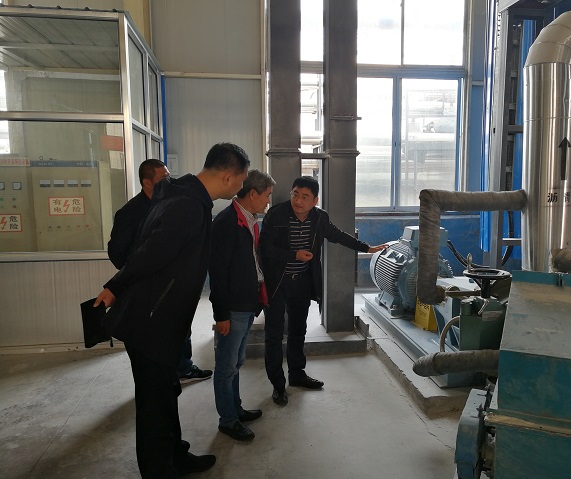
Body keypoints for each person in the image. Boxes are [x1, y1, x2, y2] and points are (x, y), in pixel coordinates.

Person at [94, 143, 250, 478]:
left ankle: (175, 456)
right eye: (241, 181)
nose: (240, 188)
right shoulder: (187, 206)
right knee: (153, 404)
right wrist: (115, 286)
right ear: (227, 177)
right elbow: (150, 254)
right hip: (150, 321)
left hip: (163, 319)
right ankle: (158, 470)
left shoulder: (184, 197)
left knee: (167, 393)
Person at [259, 176, 388, 406]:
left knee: (298, 331)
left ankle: (297, 375)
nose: (298, 201)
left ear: (315, 200)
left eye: (304, 197)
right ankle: (278, 385)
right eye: (295, 194)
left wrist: (366, 248)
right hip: (277, 283)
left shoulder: (319, 218)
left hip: (302, 283)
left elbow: (338, 235)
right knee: (275, 335)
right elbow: (265, 249)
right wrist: (294, 255)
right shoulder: (276, 215)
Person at [107, 159, 213, 385]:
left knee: (181, 330)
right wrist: (135, 271)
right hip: (147, 291)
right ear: (147, 182)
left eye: (169, 175)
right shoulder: (130, 212)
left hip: (171, 289)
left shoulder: (169, 203)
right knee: (153, 363)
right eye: (163, 178)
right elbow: (118, 253)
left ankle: (183, 367)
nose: (169, 181)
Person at [209, 169, 275, 441]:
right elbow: (217, 272)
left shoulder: (250, 218)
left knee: (236, 361)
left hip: (248, 301)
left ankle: (235, 409)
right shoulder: (226, 222)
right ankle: (228, 421)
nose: (268, 201)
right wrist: (221, 314)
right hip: (233, 306)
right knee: (226, 366)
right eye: (267, 195)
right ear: (253, 194)